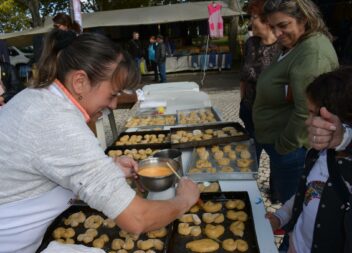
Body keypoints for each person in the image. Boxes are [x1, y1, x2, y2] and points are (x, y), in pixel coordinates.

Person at [0, 29, 199, 252]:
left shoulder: (42, 99)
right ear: (80, 82)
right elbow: (137, 219)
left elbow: (49, 162)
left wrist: (109, 168)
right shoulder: (55, 121)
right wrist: (184, 200)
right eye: (112, 94)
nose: (114, 105)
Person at [252, 0, 339, 204]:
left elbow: (306, 110)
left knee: (294, 209)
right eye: (273, 27)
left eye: (283, 25)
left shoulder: (312, 52)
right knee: (288, 207)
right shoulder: (295, 46)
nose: (278, 33)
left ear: (304, 19)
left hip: (295, 151)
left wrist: (284, 146)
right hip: (284, 147)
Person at [266, 67, 352, 253]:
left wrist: (345, 136)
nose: (308, 121)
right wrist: (280, 217)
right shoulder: (315, 154)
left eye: (314, 113)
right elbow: (305, 194)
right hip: (295, 246)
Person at [239, 0, 280, 170]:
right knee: (249, 155)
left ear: (266, 20)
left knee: (277, 158)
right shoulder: (251, 43)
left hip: (271, 114)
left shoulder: (282, 46)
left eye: (253, 17)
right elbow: (243, 76)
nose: (250, 22)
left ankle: (276, 193)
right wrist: (242, 102)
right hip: (249, 109)